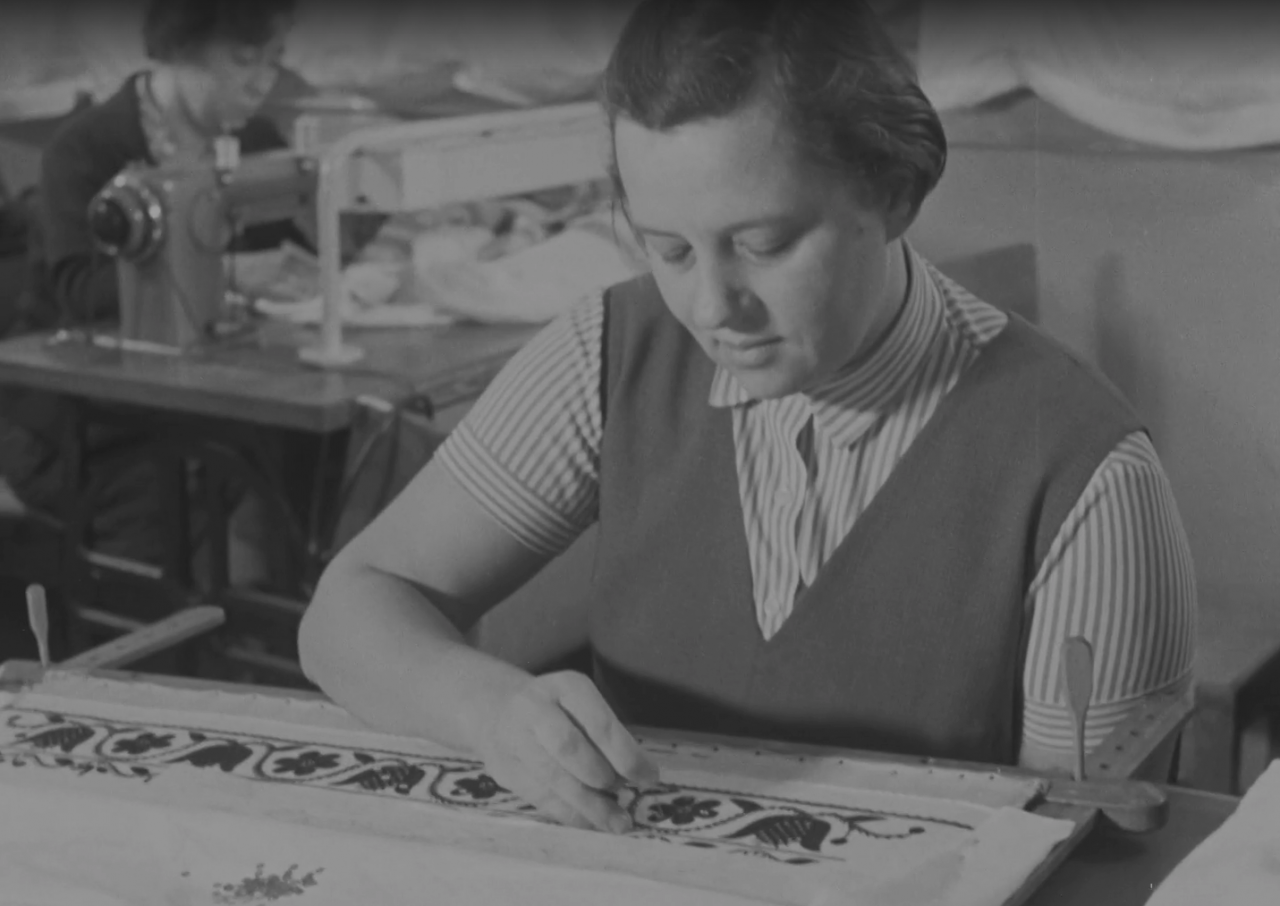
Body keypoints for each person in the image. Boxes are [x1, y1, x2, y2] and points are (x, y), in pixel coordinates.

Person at [298, 0, 1197, 837]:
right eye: (669, 250)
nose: (711, 307)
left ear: (893, 192)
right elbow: (350, 608)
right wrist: (488, 709)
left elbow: (1085, 856)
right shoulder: (609, 353)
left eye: (763, 244)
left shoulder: (1084, 477)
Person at [2, 0, 308, 570]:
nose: (262, 82)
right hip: (71, 414)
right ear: (179, 47)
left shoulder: (254, 143)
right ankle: (145, 624)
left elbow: (296, 252)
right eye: (245, 60)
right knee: (156, 486)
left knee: (309, 455)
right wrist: (229, 279)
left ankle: (279, 613)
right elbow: (81, 292)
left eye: (275, 60)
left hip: (201, 394)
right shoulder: (85, 149)